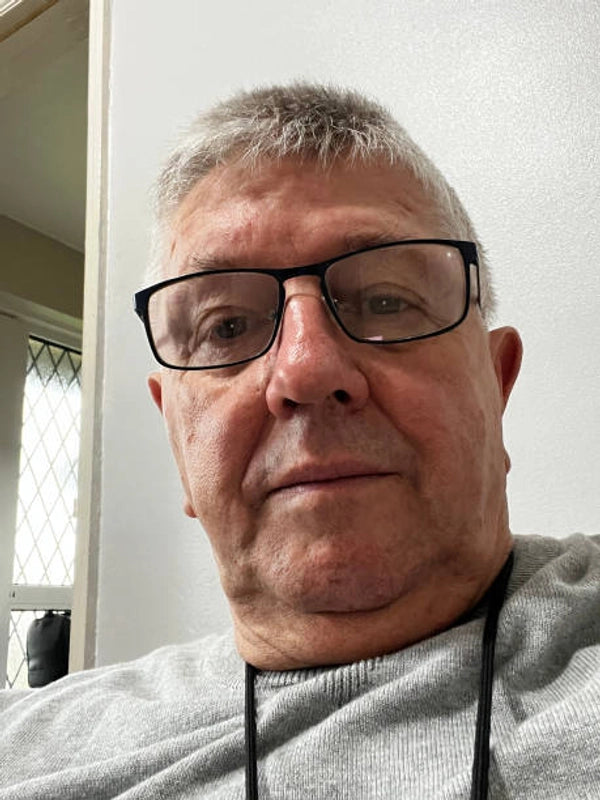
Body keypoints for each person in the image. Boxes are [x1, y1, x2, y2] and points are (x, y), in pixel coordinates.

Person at [1, 83, 599, 800]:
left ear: (497, 387)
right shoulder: (26, 745)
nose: (307, 369)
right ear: (177, 444)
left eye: (385, 301)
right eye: (226, 326)